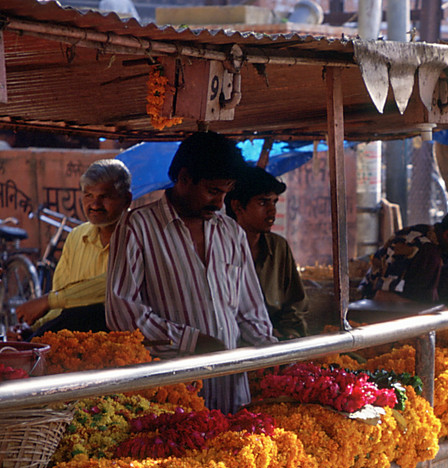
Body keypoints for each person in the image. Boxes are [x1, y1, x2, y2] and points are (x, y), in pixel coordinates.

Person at [106, 131, 275, 413]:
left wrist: (273, 354)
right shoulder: (138, 227)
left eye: (225, 193)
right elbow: (123, 314)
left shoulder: (231, 231)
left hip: (233, 393)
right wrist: (192, 341)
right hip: (174, 399)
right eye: (212, 191)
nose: (220, 203)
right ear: (184, 178)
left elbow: (250, 311)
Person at [16, 159, 132, 336]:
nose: (95, 205)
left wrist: (49, 301)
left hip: (123, 338)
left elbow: (116, 285)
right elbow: (60, 307)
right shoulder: (77, 237)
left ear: (127, 199)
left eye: (105, 197)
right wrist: (33, 326)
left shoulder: (141, 235)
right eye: (88, 196)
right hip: (77, 341)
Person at [225, 167, 308, 340]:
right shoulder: (219, 248)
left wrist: (288, 333)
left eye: (274, 202)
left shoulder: (278, 247)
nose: (272, 211)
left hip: (275, 343)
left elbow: (294, 303)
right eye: (263, 203)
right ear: (237, 206)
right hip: (234, 345)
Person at [357, 202, 448, 307]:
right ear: (447, 235)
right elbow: (381, 296)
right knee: (431, 256)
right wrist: (436, 313)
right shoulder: (415, 245)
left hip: (429, 310)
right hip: (374, 305)